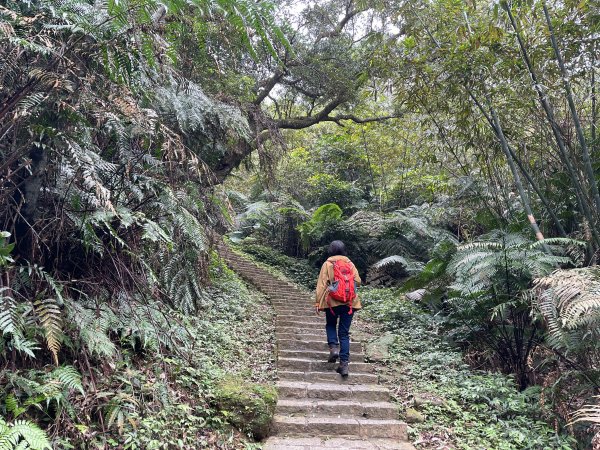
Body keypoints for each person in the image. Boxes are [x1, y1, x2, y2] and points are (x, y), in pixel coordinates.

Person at [315, 240, 362, 377]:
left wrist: (318, 302)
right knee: (344, 333)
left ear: (331, 250)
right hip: (349, 303)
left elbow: (322, 284)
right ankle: (344, 365)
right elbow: (357, 281)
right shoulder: (350, 263)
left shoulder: (328, 264)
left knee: (330, 324)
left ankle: (334, 348)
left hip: (332, 302)